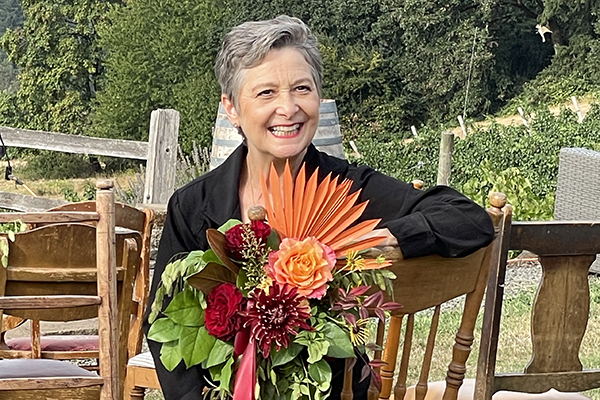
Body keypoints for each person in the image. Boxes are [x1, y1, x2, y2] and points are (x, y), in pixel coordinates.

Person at [145, 15, 495, 400]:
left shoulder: (348, 189)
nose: (288, 107)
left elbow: (470, 219)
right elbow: (163, 325)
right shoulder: (194, 206)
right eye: (266, 93)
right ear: (231, 108)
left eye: (302, 88)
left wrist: (394, 237)